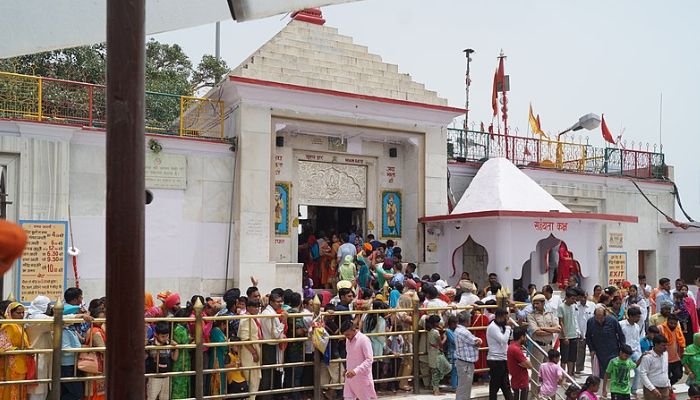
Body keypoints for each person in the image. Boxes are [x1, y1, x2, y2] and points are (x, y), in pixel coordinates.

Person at [528, 293, 560, 389]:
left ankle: (547, 393)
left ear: (543, 303)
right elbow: (537, 331)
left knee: (549, 371)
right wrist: (550, 330)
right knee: (536, 371)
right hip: (538, 346)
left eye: (537, 303)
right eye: (534, 303)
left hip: (549, 346)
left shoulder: (550, 314)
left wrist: (543, 328)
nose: (535, 306)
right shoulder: (531, 315)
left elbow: (558, 329)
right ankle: (534, 395)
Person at [0, 302, 31, 400]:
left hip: (21, 362)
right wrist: (18, 350)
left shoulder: (19, 325)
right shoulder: (8, 325)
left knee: (20, 388)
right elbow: (3, 345)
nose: (21, 315)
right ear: (10, 313)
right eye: (18, 313)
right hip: (10, 364)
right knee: (10, 389)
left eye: (23, 313)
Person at [341, 320, 377, 400]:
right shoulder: (347, 340)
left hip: (362, 378)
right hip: (350, 377)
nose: (347, 337)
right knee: (348, 397)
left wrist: (355, 371)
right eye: (345, 335)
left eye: (348, 334)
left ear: (353, 330)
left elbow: (369, 360)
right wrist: (347, 368)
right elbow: (349, 356)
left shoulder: (364, 340)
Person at [259, 293, 286, 400]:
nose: (280, 303)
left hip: (270, 345)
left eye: (281, 301)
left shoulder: (271, 312)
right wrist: (283, 322)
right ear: (271, 302)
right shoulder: (269, 314)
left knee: (270, 372)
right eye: (277, 301)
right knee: (267, 373)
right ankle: (266, 397)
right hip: (269, 345)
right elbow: (275, 334)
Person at [25, 296, 52, 400]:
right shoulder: (39, 318)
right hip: (38, 359)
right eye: (49, 306)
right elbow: (59, 321)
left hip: (39, 358)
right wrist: (77, 316)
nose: (51, 309)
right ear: (43, 307)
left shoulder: (32, 316)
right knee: (37, 391)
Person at [586, 305, 626, 378]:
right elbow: (588, 337)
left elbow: (621, 335)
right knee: (601, 374)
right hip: (599, 352)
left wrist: (622, 349)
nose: (599, 320)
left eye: (601, 318)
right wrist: (592, 349)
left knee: (614, 372)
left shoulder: (612, 320)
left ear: (605, 315)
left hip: (613, 351)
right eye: (597, 318)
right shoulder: (591, 322)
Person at [146, 321, 179, 400]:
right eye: (163, 336)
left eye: (167, 336)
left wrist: (176, 348)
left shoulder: (169, 343)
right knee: (151, 397)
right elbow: (144, 357)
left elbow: (174, 358)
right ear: (156, 335)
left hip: (166, 376)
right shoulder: (151, 343)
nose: (165, 338)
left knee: (165, 398)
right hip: (154, 376)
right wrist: (144, 346)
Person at [486, 308, 514, 400]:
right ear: (500, 317)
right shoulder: (493, 327)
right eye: (505, 318)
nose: (506, 320)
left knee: (505, 385)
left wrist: (508, 329)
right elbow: (503, 340)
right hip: (495, 360)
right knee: (495, 386)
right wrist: (509, 327)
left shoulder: (502, 326)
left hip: (503, 359)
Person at [237, 299, 262, 400]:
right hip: (248, 352)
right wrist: (254, 353)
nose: (257, 309)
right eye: (255, 307)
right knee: (252, 379)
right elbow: (245, 338)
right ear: (248, 308)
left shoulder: (254, 318)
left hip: (254, 349)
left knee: (255, 378)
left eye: (258, 307)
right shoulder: (246, 319)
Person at [638, 335, 671, 400]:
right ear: (656, 344)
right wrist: (652, 389)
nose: (665, 347)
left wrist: (668, 384)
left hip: (665, 388)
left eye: (666, 345)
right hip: (651, 390)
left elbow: (665, 370)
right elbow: (643, 374)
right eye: (663, 345)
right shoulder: (647, 357)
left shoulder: (665, 354)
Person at [425, 315, 451, 396]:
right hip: (437, 353)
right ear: (435, 323)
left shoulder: (429, 330)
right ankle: (436, 391)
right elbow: (441, 344)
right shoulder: (436, 332)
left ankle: (435, 389)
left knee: (434, 372)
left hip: (432, 353)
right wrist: (445, 337)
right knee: (446, 368)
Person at [84, 307, 107, 400]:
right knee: (97, 391)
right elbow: (102, 349)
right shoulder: (96, 332)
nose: (102, 321)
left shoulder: (92, 329)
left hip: (94, 365)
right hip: (97, 366)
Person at [619, 307, 643, 395]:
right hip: (625, 352)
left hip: (634, 351)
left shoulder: (637, 326)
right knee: (626, 371)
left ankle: (634, 390)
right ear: (630, 316)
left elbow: (637, 340)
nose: (638, 319)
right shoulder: (621, 324)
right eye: (637, 317)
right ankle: (624, 389)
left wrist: (639, 353)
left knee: (639, 370)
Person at [658, 314, 685, 385]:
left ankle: (668, 386)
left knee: (679, 375)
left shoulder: (678, 329)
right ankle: (667, 388)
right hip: (664, 358)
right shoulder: (661, 328)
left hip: (676, 357)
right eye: (671, 323)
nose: (673, 325)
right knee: (665, 376)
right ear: (667, 321)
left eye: (675, 324)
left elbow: (681, 342)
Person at [558, 289, 580, 377]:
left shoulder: (574, 306)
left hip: (574, 334)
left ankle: (570, 375)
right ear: (566, 298)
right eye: (572, 298)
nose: (574, 300)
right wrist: (565, 336)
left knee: (572, 358)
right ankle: (563, 376)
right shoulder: (561, 307)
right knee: (564, 358)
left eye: (575, 299)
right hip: (565, 336)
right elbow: (561, 322)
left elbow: (575, 320)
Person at [172, 309, 192, 399]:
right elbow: (184, 343)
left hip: (183, 357)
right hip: (181, 358)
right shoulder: (180, 329)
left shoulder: (177, 327)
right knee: (180, 380)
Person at [507, 327, 532, 400]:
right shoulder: (516, 350)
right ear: (521, 337)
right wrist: (525, 364)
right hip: (521, 382)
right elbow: (530, 366)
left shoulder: (511, 347)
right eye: (525, 337)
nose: (526, 339)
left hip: (516, 381)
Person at [576, 287, 596, 374]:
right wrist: (578, 332)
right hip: (580, 332)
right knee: (580, 352)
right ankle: (579, 369)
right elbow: (575, 320)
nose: (583, 299)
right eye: (581, 297)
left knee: (593, 352)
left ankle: (594, 370)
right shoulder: (576, 306)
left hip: (591, 333)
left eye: (584, 296)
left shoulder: (592, 305)